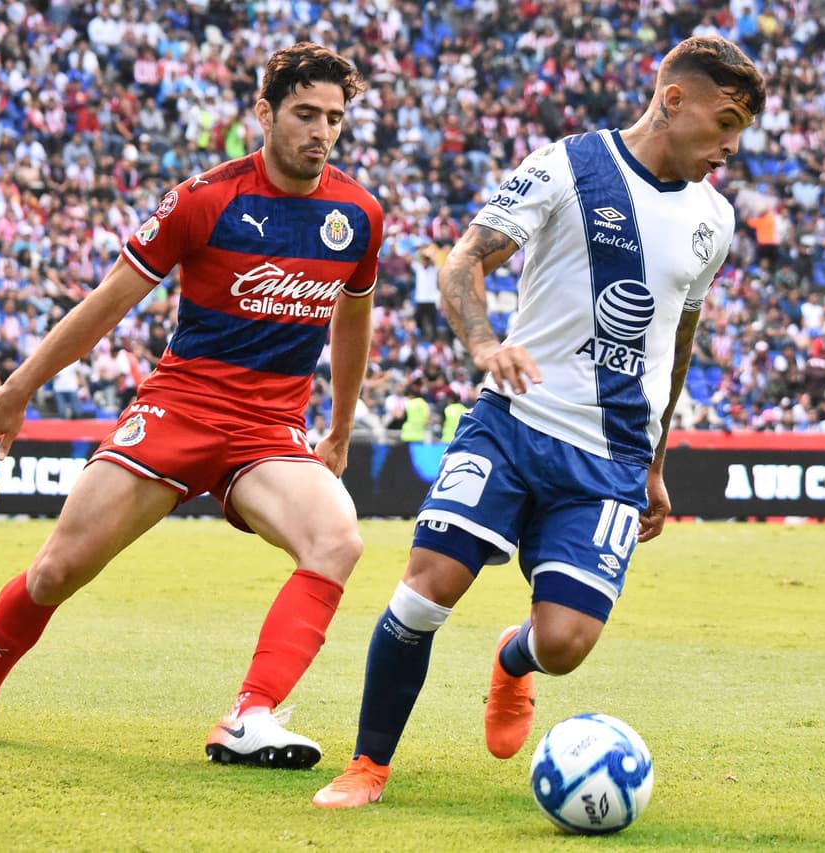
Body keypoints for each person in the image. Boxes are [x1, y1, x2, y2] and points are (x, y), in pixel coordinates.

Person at [313, 35, 765, 808]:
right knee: (425, 591)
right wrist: (485, 345)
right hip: (514, 424)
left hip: (613, 454)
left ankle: (512, 660)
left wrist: (656, 461)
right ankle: (368, 765)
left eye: (742, 131)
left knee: (563, 645)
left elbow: (677, 339)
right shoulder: (568, 165)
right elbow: (462, 260)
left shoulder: (714, 219)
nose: (731, 146)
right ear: (675, 98)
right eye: (725, 122)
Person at [0, 43, 383, 771]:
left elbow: (353, 320)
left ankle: (249, 714)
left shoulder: (358, 214)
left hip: (268, 431)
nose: (320, 131)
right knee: (54, 572)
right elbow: (106, 303)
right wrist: (16, 390)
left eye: (333, 118)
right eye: (304, 114)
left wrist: (340, 428)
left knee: (338, 541)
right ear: (264, 113)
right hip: (180, 409)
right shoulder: (204, 199)